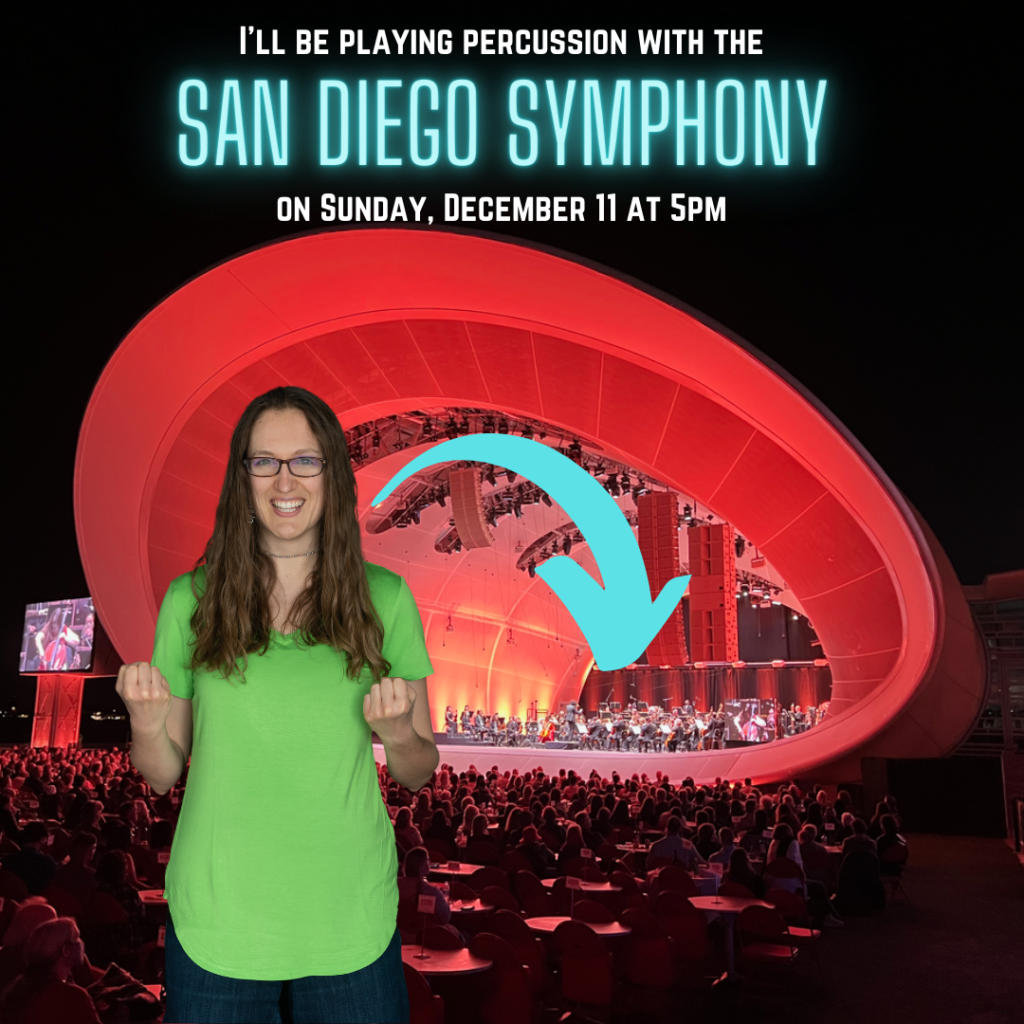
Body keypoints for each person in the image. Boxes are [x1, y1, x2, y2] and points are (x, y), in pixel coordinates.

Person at [118, 386, 436, 1023]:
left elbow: (419, 768)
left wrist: (399, 733)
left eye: (305, 460)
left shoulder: (389, 599)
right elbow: (160, 774)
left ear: (332, 476)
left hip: (349, 917)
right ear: (243, 476)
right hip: (219, 921)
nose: (284, 480)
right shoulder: (190, 600)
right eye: (264, 461)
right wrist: (147, 727)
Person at [0, 916, 103, 1024]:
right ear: (65, 950)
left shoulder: (18, 988)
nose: (81, 943)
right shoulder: (71, 996)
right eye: (77, 937)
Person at [3, 822, 58, 895]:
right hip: (38, 902)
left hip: (13, 901)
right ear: (43, 839)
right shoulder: (46, 862)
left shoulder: (8, 860)